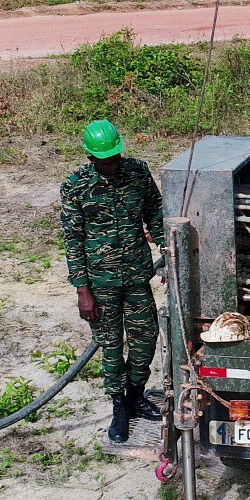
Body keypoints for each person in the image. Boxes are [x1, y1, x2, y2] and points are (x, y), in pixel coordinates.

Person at [58, 119, 166, 443]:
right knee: (110, 346)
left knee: (146, 335)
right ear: (91, 157)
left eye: (115, 157)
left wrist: (169, 252)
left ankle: (136, 394)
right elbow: (72, 239)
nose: (112, 164)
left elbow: (155, 212)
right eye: (105, 160)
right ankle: (119, 406)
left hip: (135, 274)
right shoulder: (75, 186)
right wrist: (82, 290)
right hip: (99, 282)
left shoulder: (138, 173)